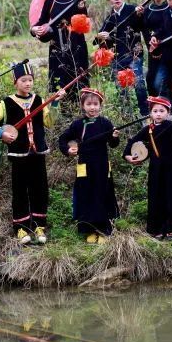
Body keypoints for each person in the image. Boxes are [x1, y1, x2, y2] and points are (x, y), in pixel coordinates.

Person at [0, 62, 66, 244]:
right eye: (23, 80)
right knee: (20, 190)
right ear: (16, 82)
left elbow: (49, 122)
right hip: (19, 155)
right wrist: (1, 133)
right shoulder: (6, 103)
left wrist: (55, 103)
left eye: (30, 80)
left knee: (40, 189)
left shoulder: (38, 100)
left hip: (38, 153)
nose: (28, 83)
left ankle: (39, 226)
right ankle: (21, 228)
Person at [123, 96, 172, 239]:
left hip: (171, 167)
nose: (158, 114)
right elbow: (133, 141)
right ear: (150, 113)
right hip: (155, 168)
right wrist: (127, 155)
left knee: (171, 195)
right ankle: (156, 228)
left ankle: (170, 227)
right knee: (156, 195)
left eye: (162, 111)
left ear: (168, 113)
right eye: (155, 111)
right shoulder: (147, 129)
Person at [58, 88, 120, 243]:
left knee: (102, 195)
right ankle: (89, 230)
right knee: (87, 196)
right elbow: (63, 139)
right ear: (83, 106)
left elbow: (113, 145)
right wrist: (68, 150)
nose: (92, 107)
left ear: (100, 105)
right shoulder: (77, 125)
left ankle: (104, 230)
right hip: (84, 165)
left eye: (96, 104)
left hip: (102, 165)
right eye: (89, 104)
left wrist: (114, 137)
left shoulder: (105, 123)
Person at [30, 0, 89, 104]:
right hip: (57, 46)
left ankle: (81, 110)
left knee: (78, 80)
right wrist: (33, 30)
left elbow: (84, 22)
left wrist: (81, 7)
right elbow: (41, 21)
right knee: (60, 82)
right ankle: (63, 113)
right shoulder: (51, 0)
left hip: (76, 44)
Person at [95, 0, 148, 116]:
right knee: (121, 90)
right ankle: (127, 117)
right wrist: (102, 37)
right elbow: (98, 40)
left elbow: (143, 24)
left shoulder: (133, 10)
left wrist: (141, 14)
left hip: (134, 55)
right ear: (108, 0)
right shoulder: (110, 18)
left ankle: (145, 114)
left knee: (139, 86)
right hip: (118, 58)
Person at [135, 0, 168, 99]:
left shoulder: (169, 9)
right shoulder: (147, 10)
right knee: (150, 80)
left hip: (167, 51)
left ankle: (167, 107)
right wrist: (138, 16)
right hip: (152, 52)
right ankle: (154, 111)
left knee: (159, 82)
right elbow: (141, 28)